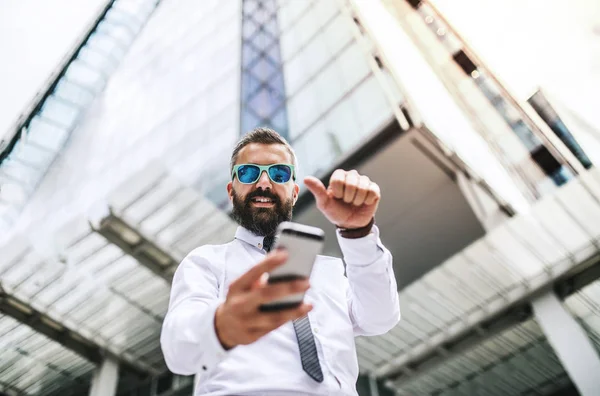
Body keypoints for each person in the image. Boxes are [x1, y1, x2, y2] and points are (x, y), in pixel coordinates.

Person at [160, 127, 400, 396]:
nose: (264, 183)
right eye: (249, 173)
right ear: (231, 191)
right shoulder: (207, 262)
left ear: (294, 192)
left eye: (278, 173)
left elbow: (380, 318)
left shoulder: (331, 272)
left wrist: (359, 233)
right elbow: (177, 350)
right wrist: (220, 325)